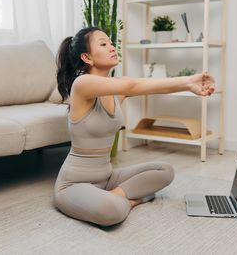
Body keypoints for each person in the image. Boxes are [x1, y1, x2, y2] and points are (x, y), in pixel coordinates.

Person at [53, 26, 215, 227]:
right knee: (111, 212)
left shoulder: (117, 86)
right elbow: (134, 86)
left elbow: (149, 85)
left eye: (111, 43)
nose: (112, 47)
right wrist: (188, 79)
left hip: (107, 177)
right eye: (103, 44)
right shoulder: (83, 84)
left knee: (164, 170)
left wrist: (189, 86)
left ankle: (115, 195)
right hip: (74, 184)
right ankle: (128, 201)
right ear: (87, 57)